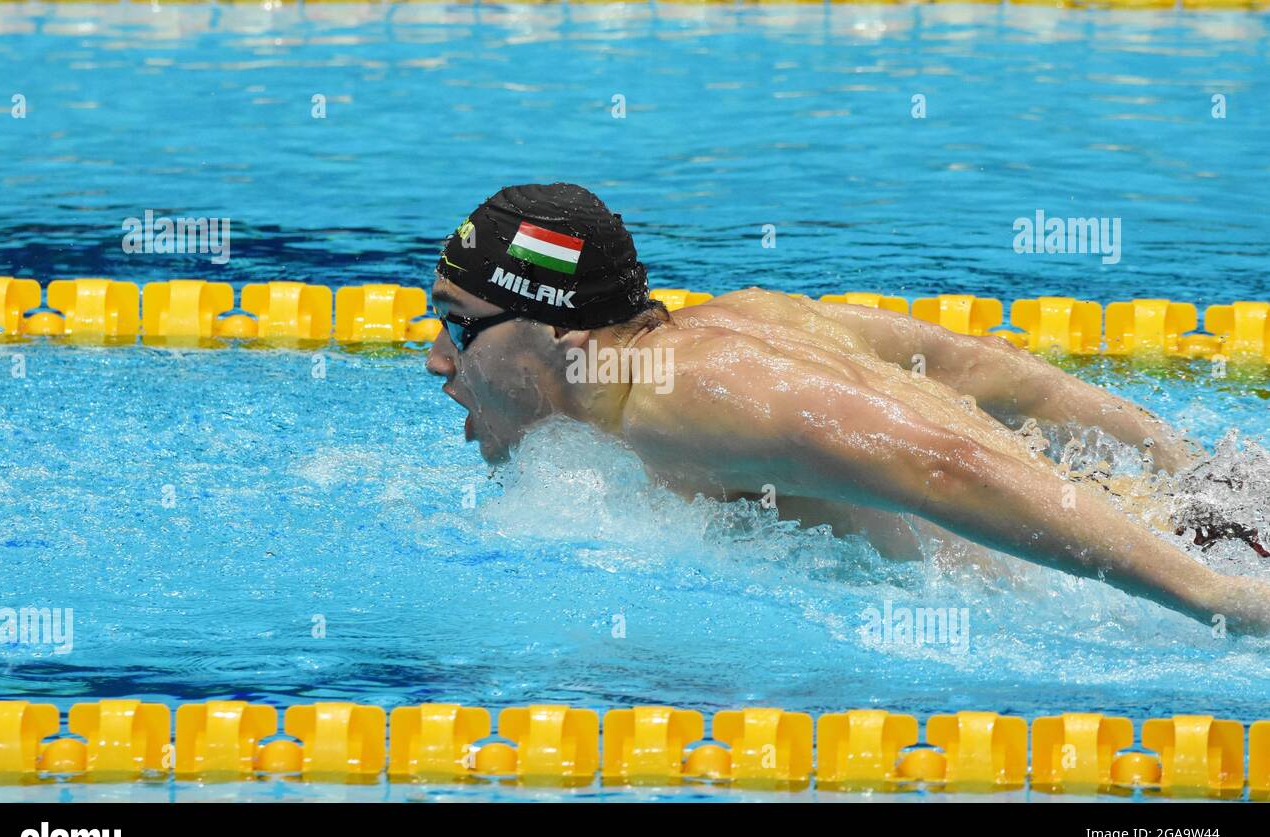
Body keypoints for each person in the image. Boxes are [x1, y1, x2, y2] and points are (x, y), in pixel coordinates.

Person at [426, 183, 1270, 633]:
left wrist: (1212, 596)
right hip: (1196, 518)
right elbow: (998, 372)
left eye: (459, 328)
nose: (437, 360)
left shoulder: (679, 400)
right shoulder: (745, 318)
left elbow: (945, 462)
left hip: (1137, 588)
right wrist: (1195, 474)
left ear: (561, 337)